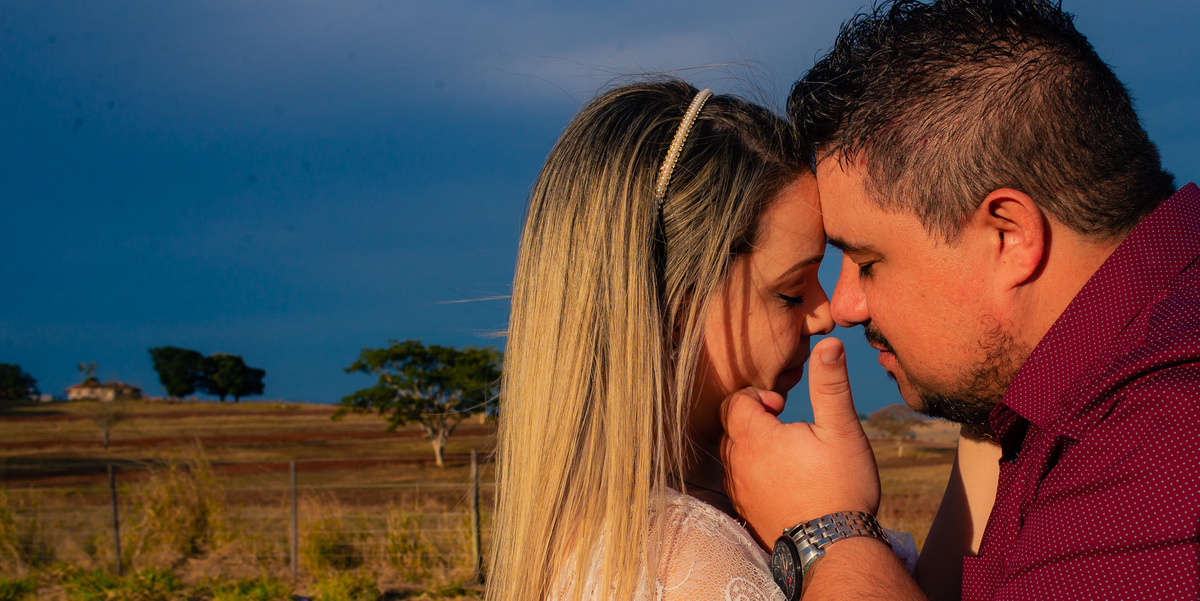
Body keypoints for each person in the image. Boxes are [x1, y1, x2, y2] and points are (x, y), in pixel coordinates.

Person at [721, 1, 1200, 600]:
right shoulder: (1089, 397)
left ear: (1008, 238)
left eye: (867, 262)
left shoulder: (1161, 451)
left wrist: (826, 531)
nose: (843, 308)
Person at [487, 80, 916, 601]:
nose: (825, 314)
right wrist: (830, 525)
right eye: (789, 291)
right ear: (677, 315)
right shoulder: (683, 559)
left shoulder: (643, 529)